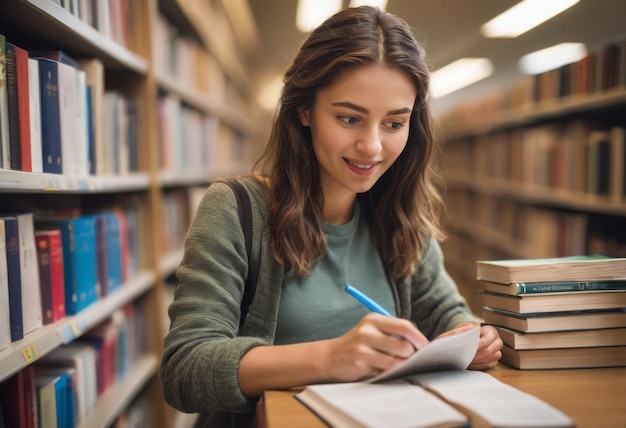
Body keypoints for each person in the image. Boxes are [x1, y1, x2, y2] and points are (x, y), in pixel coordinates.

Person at [160, 5, 503, 427]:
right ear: (304, 110)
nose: (372, 146)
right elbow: (184, 370)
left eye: (394, 123)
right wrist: (330, 356)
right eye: (349, 118)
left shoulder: (399, 214)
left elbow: (446, 310)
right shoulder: (235, 208)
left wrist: (471, 336)